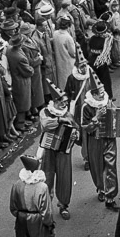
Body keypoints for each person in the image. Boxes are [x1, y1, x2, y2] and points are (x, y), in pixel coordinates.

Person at [37, 83, 79, 220]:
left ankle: (63, 205)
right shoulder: (45, 112)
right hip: (48, 150)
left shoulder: (68, 114)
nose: (63, 104)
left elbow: (76, 128)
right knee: (46, 177)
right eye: (61, 101)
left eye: (65, 102)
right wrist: (60, 119)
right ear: (54, 101)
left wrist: (75, 135)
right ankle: (45, 207)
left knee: (64, 178)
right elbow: (46, 124)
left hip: (63, 151)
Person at [81, 70, 120, 211]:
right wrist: (96, 118)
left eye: (104, 90)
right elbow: (85, 128)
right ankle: (101, 189)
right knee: (97, 168)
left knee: (111, 166)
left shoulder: (107, 101)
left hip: (109, 138)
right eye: (100, 92)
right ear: (93, 94)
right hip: (95, 141)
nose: (103, 93)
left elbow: (115, 114)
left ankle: (110, 197)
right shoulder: (86, 107)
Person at [9, 155, 55, 237]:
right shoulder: (42, 187)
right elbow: (46, 212)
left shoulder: (17, 185)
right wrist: (50, 224)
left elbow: (13, 208)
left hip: (21, 221)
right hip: (37, 222)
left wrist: (21, 216)